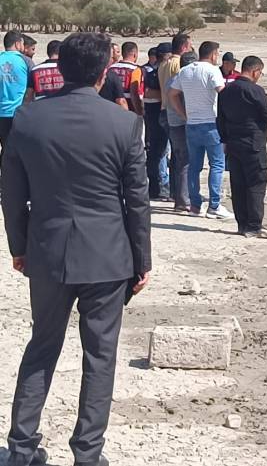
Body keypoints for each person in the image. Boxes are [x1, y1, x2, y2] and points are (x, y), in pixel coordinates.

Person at [1, 31, 150, 466]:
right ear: (105, 72)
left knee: (41, 347)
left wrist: (19, 246)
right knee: (100, 356)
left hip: (46, 249)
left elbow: (11, 192)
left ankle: (22, 448)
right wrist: (142, 261)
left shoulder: (27, 119)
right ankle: (87, 453)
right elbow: (136, 201)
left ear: (57, 69)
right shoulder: (125, 123)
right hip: (107, 255)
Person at [168, 41, 232, 219]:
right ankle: (214, 205)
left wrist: (183, 114)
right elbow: (222, 92)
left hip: (192, 124)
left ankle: (195, 205)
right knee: (217, 165)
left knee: (194, 166)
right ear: (212, 55)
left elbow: (172, 94)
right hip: (211, 123)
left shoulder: (185, 70)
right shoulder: (212, 70)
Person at [218, 56, 267, 238]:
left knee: (238, 185)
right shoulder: (255, 90)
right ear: (255, 71)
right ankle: (253, 225)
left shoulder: (226, 91)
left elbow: (220, 119)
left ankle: (242, 224)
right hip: (253, 144)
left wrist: (225, 140)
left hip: (234, 144)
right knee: (256, 183)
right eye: (260, 73)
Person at [159, 34, 193, 213]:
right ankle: (182, 197)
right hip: (176, 113)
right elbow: (177, 90)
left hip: (166, 111)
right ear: (184, 47)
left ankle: (176, 193)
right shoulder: (176, 65)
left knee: (176, 157)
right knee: (182, 158)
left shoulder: (164, 63)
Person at [143, 44, 170, 200]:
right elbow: (147, 91)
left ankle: (159, 187)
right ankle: (158, 187)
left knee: (160, 151)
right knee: (158, 151)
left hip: (158, 112)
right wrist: (166, 95)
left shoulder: (161, 70)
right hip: (154, 113)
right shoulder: (151, 72)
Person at [0, 31, 30, 155]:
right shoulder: (25, 61)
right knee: (14, 152)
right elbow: (31, 88)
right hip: (16, 114)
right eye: (22, 43)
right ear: (18, 44)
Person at [106, 42, 143, 115]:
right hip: (129, 108)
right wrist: (139, 112)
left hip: (110, 106)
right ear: (135, 54)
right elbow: (134, 93)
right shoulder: (135, 69)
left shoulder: (110, 68)